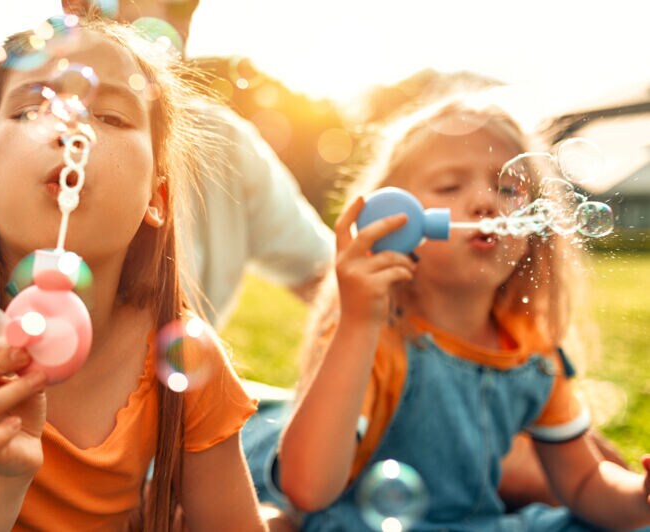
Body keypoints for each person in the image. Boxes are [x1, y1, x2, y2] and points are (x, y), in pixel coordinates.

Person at [0, 17, 265, 530]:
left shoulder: (185, 356)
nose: (72, 130)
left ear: (156, 200)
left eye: (110, 116)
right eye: (30, 110)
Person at [277, 96, 650, 529]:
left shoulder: (530, 352)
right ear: (398, 221)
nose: (484, 202)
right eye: (451, 186)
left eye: (508, 189)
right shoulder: (374, 340)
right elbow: (305, 488)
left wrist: (641, 498)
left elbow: (585, 483)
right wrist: (358, 324)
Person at [63, 0, 334, 326]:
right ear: (77, 6)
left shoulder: (223, 141)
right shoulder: (21, 132)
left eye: (186, 7)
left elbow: (323, 274)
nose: (181, 26)